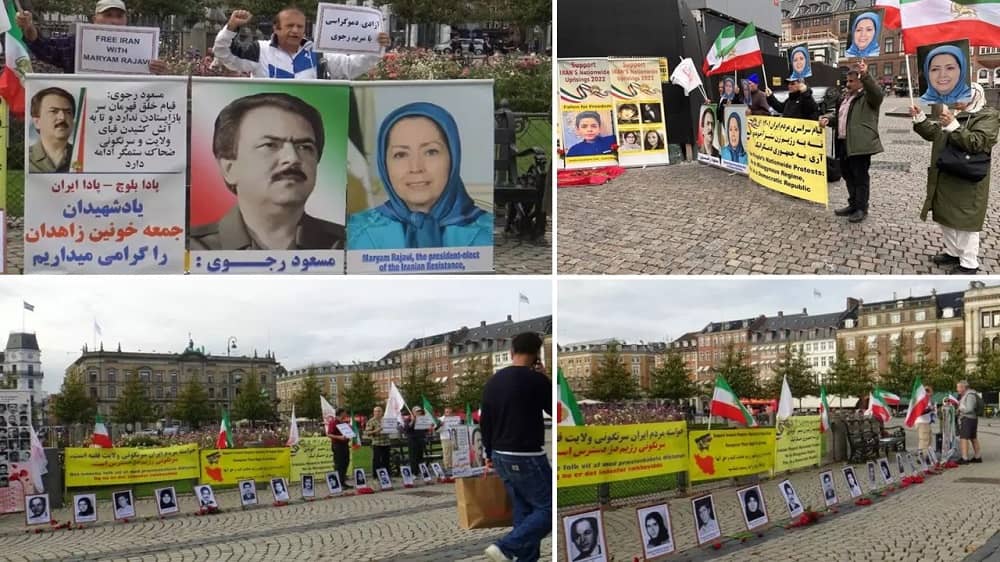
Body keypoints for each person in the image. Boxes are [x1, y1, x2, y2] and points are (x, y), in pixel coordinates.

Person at [190, 92, 346, 251]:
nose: (292, 158)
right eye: (270, 145)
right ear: (229, 169)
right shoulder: (192, 250)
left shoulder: (348, 245)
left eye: (305, 147)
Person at [346, 102, 493, 250]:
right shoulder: (358, 231)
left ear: (453, 158)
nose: (416, 168)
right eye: (401, 154)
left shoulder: (485, 231)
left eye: (431, 152)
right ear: (384, 164)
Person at [910, 83, 998, 274]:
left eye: (961, 95)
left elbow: (977, 143)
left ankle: (969, 264)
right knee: (945, 217)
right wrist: (920, 118)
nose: (955, 98)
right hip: (946, 174)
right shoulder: (956, 114)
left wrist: (953, 125)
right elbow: (936, 135)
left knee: (966, 223)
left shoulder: (987, 116)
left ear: (974, 96)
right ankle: (952, 252)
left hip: (967, 180)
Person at [482, 332, 552, 562]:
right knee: (548, 508)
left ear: (512, 352)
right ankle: (506, 546)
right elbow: (555, 410)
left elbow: (486, 421)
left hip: (500, 453)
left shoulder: (493, 381)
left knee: (524, 511)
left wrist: (488, 453)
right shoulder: (536, 381)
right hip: (527, 454)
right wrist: (546, 378)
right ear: (537, 354)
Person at [213, 8, 389, 80]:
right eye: (290, 26)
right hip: (267, 129)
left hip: (306, 131)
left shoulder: (318, 54)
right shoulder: (260, 50)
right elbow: (224, 53)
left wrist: (375, 47)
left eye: (300, 26)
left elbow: (350, 67)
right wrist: (232, 26)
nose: (295, 31)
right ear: (276, 28)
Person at [16, 0, 169, 75]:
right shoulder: (76, 45)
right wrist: (29, 27)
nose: (114, 21)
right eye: (108, 15)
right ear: (94, 19)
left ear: (126, 20)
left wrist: (159, 70)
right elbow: (43, 47)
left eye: (119, 16)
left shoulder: (142, 49)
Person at [820, 60, 884, 223]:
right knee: (847, 175)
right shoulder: (844, 97)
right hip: (843, 143)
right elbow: (840, 117)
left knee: (860, 177)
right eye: (846, 81)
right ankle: (853, 204)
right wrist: (828, 119)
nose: (847, 84)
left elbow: (877, 94)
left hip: (859, 145)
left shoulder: (869, 97)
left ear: (860, 81)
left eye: (851, 81)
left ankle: (861, 208)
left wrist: (866, 74)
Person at [28, 88, 76, 174]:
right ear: (37, 122)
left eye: (68, 112)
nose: (62, 117)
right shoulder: (27, 159)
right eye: (54, 111)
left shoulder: (83, 158)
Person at [957, 380, 983, 463]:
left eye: (958, 387)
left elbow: (970, 408)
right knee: (973, 438)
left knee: (964, 438)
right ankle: (977, 457)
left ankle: (964, 458)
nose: (957, 389)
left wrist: (960, 409)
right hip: (971, 419)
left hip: (968, 419)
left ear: (963, 387)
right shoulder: (967, 394)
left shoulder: (970, 395)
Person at [327, 409, 353, 488]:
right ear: (341, 413)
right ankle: (338, 483)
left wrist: (350, 431)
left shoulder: (344, 423)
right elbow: (329, 434)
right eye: (345, 413)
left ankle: (343, 481)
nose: (346, 414)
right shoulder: (333, 422)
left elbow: (347, 433)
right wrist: (339, 437)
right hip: (337, 445)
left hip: (345, 445)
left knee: (346, 462)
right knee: (339, 464)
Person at [400, 406, 428, 474]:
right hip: (412, 440)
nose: (419, 412)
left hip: (421, 439)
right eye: (417, 411)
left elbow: (425, 430)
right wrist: (412, 420)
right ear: (413, 412)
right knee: (413, 456)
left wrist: (428, 426)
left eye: (419, 411)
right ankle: (414, 472)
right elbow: (406, 429)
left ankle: (420, 470)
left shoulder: (422, 419)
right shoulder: (408, 419)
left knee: (420, 456)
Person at [366, 406, 391, 475]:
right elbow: (368, 433)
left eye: (379, 411)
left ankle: (387, 475)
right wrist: (377, 430)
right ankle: (376, 476)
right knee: (377, 460)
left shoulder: (386, 420)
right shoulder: (371, 421)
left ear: (382, 412)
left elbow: (391, 429)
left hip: (386, 442)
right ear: (373, 412)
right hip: (377, 443)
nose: (377, 413)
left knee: (386, 460)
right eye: (376, 411)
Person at [914, 384, 937, 454]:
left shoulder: (928, 400)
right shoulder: (921, 400)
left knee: (929, 440)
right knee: (924, 440)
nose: (932, 393)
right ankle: (922, 457)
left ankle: (927, 456)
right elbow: (919, 412)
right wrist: (930, 409)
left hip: (927, 422)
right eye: (930, 391)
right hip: (922, 422)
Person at [439, 407, 455, 473]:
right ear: (444, 412)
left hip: (453, 437)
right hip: (445, 438)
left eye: (450, 412)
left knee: (453, 453)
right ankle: (447, 467)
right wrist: (441, 425)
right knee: (447, 453)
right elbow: (437, 430)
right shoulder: (440, 419)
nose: (449, 413)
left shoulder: (454, 419)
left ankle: (453, 466)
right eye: (447, 412)